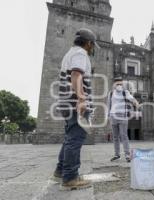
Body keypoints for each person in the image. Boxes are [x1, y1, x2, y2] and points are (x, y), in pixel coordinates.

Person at [53, 28, 99, 190]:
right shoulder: (81, 54)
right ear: (88, 43)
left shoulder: (70, 53)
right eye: (92, 45)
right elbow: (76, 75)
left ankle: (60, 170)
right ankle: (70, 177)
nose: (92, 49)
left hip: (66, 102)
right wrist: (81, 99)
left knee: (69, 138)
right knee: (75, 139)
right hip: (74, 103)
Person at [107, 77, 139, 162]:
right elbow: (108, 105)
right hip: (113, 116)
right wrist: (108, 116)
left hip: (123, 117)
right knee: (115, 137)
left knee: (124, 135)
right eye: (117, 84)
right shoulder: (110, 93)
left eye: (121, 84)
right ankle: (117, 154)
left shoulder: (125, 92)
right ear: (114, 84)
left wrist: (135, 102)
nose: (119, 86)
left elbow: (131, 98)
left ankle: (127, 155)